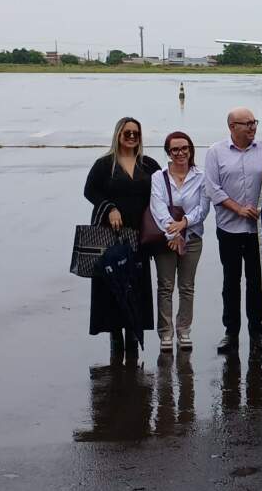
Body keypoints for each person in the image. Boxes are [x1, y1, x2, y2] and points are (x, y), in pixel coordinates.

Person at [84, 117, 160, 356]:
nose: (131, 137)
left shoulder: (148, 164)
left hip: (139, 236)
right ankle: (115, 338)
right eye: (126, 133)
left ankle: (133, 337)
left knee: (136, 287)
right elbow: (90, 191)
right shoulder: (105, 164)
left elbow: (164, 190)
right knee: (112, 287)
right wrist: (109, 208)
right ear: (118, 135)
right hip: (111, 236)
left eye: (135, 133)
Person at [205, 107, 262, 356]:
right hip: (229, 229)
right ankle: (230, 332)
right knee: (231, 282)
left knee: (256, 283)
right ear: (232, 126)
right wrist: (238, 209)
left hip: (257, 230)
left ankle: (257, 332)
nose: (252, 127)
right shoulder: (216, 152)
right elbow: (213, 189)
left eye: (254, 122)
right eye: (247, 124)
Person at [150, 131, 210, 353]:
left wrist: (184, 224)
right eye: (175, 149)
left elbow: (203, 208)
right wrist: (172, 233)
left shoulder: (201, 177)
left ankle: (184, 330)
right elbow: (158, 208)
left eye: (184, 148)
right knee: (165, 286)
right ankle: (165, 333)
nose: (180, 153)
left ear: (191, 149)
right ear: (168, 152)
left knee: (187, 286)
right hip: (166, 240)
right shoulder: (159, 177)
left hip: (192, 237)